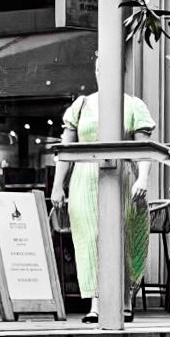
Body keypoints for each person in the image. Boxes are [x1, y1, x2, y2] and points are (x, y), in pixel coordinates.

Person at [60, 84, 151, 307]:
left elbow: (145, 148)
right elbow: (65, 150)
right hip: (85, 178)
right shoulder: (81, 105)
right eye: (98, 68)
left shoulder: (133, 105)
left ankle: (125, 298)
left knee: (124, 235)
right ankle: (96, 302)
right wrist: (57, 186)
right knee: (90, 238)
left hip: (123, 177)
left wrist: (143, 178)